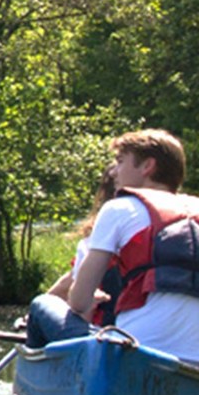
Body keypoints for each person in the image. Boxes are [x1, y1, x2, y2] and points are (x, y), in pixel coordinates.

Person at [26, 129, 199, 362]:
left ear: (148, 166)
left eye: (120, 162)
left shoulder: (120, 208)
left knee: (41, 304)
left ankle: (39, 391)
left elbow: (78, 302)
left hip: (135, 352)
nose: (114, 171)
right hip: (193, 363)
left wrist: (87, 298)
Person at [45, 165, 121, 327]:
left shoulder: (92, 243)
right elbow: (71, 278)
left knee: (41, 307)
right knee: (42, 305)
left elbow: (79, 300)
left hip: (101, 331)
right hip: (126, 328)